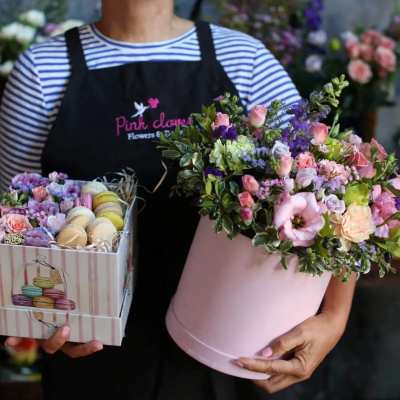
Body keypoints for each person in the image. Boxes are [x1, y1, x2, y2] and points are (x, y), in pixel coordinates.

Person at [1, 0, 356, 399]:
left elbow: (333, 190)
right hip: (95, 355)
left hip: (233, 349)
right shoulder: (42, 72)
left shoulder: (244, 60)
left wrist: (334, 317)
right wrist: (41, 320)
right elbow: (15, 226)